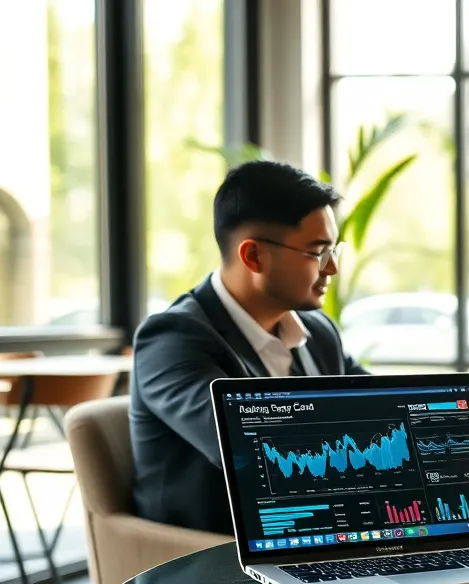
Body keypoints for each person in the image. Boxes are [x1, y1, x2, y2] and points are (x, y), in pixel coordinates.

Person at [131, 160, 369, 535]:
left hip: (315, 536)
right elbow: (253, 451)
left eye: (333, 249)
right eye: (318, 252)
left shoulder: (319, 332)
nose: (332, 268)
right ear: (253, 256)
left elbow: (383, 415)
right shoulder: (172, 339)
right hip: (209, 560)